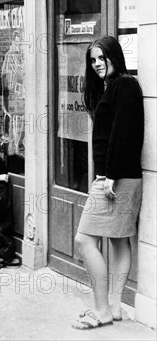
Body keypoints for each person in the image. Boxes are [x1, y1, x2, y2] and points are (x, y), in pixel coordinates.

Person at [72, 36, 144, 330]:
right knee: (117, 240)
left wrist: (109, 175)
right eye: (93, 60)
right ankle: (113, 306)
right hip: (119, 177)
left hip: (116, 180)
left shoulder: (123, 85)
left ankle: (101, 309)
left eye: (102, 58)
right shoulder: (115, 87)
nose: (98, 64)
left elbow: (124, 133)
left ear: (114, 56)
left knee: (83, 240)